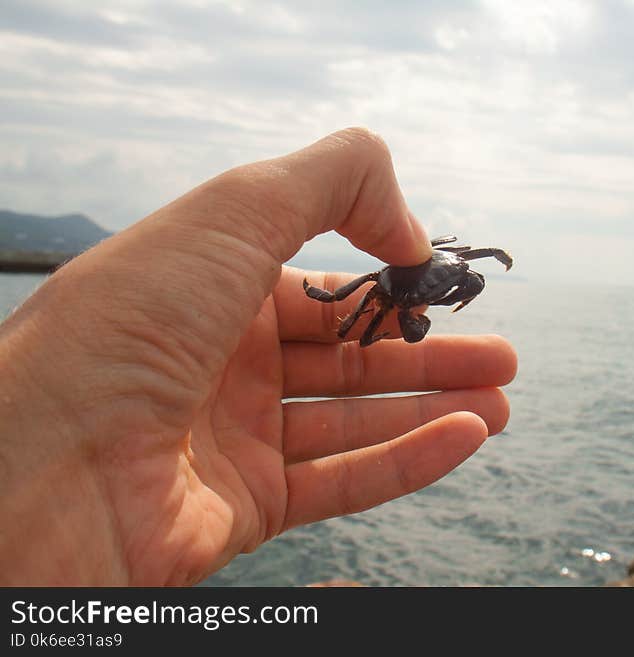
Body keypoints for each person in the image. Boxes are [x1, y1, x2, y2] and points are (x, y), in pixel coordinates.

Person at [0, 128, 517, 586]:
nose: (433, 296)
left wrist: (462, 273)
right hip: (382, 288)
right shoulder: (380, 292)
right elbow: (354, 325)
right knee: (361, 335)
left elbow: (470, 265)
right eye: (413, 304)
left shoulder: (441, 262)